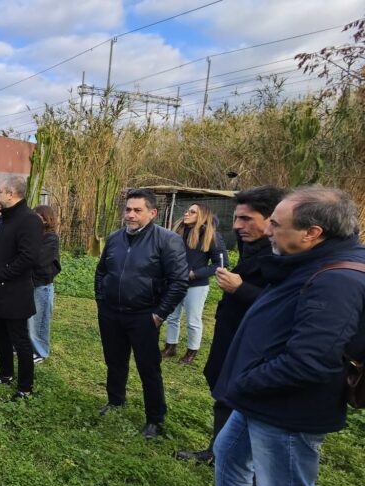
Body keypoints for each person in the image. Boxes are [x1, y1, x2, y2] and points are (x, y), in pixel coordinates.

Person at [177, 186, 365, 486]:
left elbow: (309, 362)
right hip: (261, 398)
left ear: (312, 232)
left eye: (276, 225)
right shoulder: (307, 261)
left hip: (288, 408)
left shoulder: (336, 281)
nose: (269, 231)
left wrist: (245, 380)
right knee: (229, 451)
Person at [175, 186, 287, 464]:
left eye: (247, 219)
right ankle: (218, 451)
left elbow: (289, 306)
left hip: (258, 347)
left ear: (273, 219)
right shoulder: (252, 247)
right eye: (236, 218)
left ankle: (249, 470)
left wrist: (241, 288)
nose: (237, 226)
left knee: (248, 404)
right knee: (224, 393)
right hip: (233, 336)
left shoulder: (285, 255)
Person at [95, 188, 188, 439]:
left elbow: (178, 282)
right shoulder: (115, 239)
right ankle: (116, 400)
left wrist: (159, 314)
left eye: (137, 210)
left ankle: (155, 419)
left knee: (148, 369)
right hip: (112, 314)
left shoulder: (167, 240)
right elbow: (101, 272)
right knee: (114, 361)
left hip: (144, 316)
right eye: (128, 209)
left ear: (152, 212)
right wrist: (101, 301)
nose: (130, 215)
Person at [0, 177, 43, 400]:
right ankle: (6, 373)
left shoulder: (29, 220)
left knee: (20, 340)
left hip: (14, 293)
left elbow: (28, 257)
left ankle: (25, 387)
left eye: (0, 191)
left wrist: (2, 274)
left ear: (11, 194)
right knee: (0, 335)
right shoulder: (6, 219)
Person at [162, 203, 225, 365]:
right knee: (172, 316)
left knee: (193, 320)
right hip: (175, 282)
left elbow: (220, 264)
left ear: (202, 216)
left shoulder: (212, 235)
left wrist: (194, 274)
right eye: (187, 210)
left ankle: (191, 351)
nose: (186, 213)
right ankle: (170, 347)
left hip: (196, 286)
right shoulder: (178, 232)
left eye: (192, 212)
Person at [29, 204, 62, 364]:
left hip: (42, 285)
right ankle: (29, 347)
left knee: (39, 321)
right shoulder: (34, 235)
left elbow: (39, 260)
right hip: (30, 283)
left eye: (39, 217)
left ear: (47, 219)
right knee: (28, 319)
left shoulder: (51, 238)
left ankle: (41, 352)